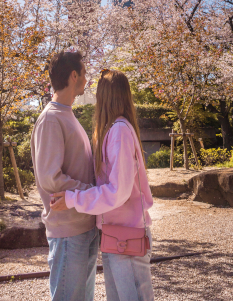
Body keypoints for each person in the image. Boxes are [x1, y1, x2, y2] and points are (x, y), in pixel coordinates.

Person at [51, 70, 155, 301]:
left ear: (104, 98)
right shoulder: (116, 130)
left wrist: (72, 198)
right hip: (117, 235)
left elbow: (118, 191)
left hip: (125, 235)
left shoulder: (118, 131)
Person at [30, 51, 99, 301]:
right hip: (68, 228)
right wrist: (93, 192)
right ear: (74, 75)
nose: (86, 79)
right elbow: (51, 177)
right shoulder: (51, 118)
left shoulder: (67, 114)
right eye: (84, 73)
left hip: (83, 224)